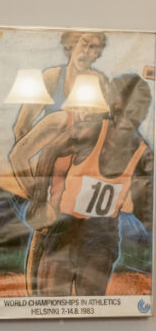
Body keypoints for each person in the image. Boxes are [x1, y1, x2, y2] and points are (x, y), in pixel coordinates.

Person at [26, 74, 153, 296]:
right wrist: (39, 198)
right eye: (124, 112)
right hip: (66, 228)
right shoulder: (91, 131)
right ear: (114, 106)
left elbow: (145, 209)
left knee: (92, 304)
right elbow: (49, 151)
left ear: (144, 113)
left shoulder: (143, 156)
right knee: (51, 302)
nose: (128, 119)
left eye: (135, 114)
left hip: (101, 235)